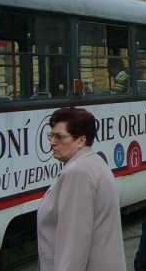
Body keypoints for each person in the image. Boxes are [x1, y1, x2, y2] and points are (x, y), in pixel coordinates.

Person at [37, 107, 126, 271]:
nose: (52, 142)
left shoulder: (78, 172)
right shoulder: (93, 162)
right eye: (51, 135)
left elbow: (73, 243)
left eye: (60, 137)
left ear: (81, 140)